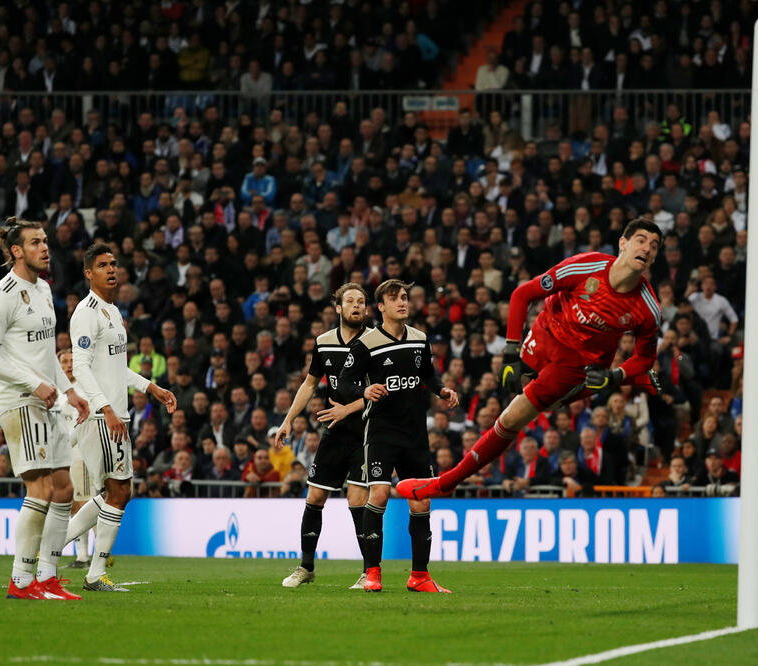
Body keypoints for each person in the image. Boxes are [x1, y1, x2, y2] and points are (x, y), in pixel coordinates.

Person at [398, 219, 662, 500]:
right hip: (545, 330)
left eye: (654, 245)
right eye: (642, 240)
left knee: (513, 418)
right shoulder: (587, 266)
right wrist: (510, 353)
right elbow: (522, 294)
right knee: (512, 384)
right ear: (623, 243)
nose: (647, 248)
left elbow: (645, 357)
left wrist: (616, 376)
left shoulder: (647, 308)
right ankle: (611, 381)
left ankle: (444, 483)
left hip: (576, 363)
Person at [0, 217, 90, 600]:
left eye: (45, 241)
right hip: (22, 401)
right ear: (16, 251)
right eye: (36, 242)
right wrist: (37, 384)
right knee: (40, 487)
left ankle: (47, 576)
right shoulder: (3, 295)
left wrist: (67, 389)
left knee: (63, 488)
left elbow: (44, 353)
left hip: (50, 401)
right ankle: (21, 581)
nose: (45, 248)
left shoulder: (42, 289)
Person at [63, 243, 177, 592]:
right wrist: (106, 408)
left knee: (110, 491)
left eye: (114, 264)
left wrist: (150, 387)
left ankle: (48, 549)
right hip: (102, 417)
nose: (112, 269)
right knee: (120, 490)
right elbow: (80, 365)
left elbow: (115, 368)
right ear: (89, 273)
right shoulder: (86, 312)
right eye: (102, 265)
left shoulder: (112, 312)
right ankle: (94, 573)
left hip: (115, 414)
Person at [336, 279, 459, 592]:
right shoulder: (366, 343)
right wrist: (364, 389)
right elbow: (342, 382)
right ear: (381, 307)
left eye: (404, 297)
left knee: (421, 503)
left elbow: (428, 374)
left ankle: (420, 576)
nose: (402, 302)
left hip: (416, 433)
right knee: (378, 495)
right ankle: (372, 573)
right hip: (382, 431)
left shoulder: (419, 338)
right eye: (394, 299)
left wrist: (442, 389)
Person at [275, 282, 372, 590]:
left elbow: (383, 391)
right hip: (335, 431)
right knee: (315, 496)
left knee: (357, 500)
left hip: (367, 432)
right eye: (351, 301)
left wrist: (348, 408)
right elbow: (309, 384)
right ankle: (306, 567)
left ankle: (370, 571)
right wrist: (288, 420)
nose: (357, 305)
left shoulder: (376, 341)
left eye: (361, 301)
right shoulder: (325, 342)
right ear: (338, 308)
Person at [56, 349, 91, 568]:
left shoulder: (84, 389)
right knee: (72, 505)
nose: (69, 365)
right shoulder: (57, 390)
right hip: (62, 455)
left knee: (85, 503)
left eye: (72, 361)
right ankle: (84, 556)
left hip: (81, 454)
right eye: (64, 362)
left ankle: (86, 556)